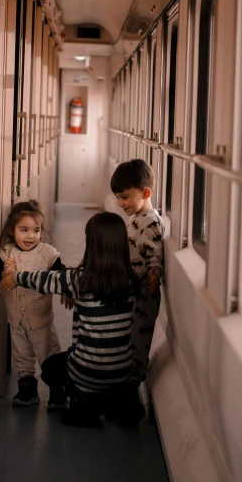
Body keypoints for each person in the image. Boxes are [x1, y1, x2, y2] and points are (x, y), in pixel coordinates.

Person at [0, 211, 142, 427]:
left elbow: (45, 279)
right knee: (114, 376)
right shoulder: (132, 280)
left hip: (85, 372)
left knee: (50, 368)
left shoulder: (79, 279)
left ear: (91, 243)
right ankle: (119, 400)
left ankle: (82, 399)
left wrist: (15, 277)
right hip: (123, 371)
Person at [0, 200, 63, 409]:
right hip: (16, 317)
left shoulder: (47, 253)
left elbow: (60, 276)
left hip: (40, 317)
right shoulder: (6, 252)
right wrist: (6, 273)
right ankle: (27, 388)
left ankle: (57, 390)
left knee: (49, 353)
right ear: (12, 230)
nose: (30, 236)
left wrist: (67, 292)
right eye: (23, 230)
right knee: (22, 354)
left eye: (36, 230)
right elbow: (0, 281)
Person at [110, 159, 165, 383]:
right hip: (132, 291)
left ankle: (131, 392)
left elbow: (155, 253)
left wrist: (154, 274)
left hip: (144, 294)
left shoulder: (150, 222)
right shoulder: (137, 219)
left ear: (145, 192)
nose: (120, 203)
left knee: (137, 343)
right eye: (117, 198)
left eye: (125, 197)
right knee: (128, 340)